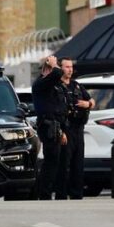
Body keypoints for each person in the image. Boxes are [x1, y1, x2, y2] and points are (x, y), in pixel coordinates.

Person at [55, 58, 95, 200]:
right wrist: (61, 132)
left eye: (71, 67)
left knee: (78, 163)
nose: (70, 70)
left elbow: (92, 101)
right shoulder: (56, 87)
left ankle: (77, 194)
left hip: (79, 128)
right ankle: (61, 194)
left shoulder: (77, 86)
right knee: (64, 164)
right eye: (67, 67)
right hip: (66, 128)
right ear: (60, 68)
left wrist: (87, 104)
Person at [31, 55, 67, 200]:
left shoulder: (52, 85)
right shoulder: (41, 83)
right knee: (50, 161)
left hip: (56, 126)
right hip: (47, 126)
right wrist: (54, 65)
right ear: (48, 69)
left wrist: (62, 130)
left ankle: (46, 191)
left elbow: (59, 107)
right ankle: (43, 193)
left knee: (54, 161)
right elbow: (58, 74)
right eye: (54, 67)